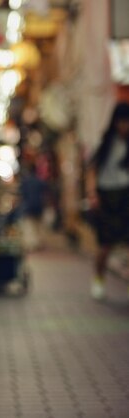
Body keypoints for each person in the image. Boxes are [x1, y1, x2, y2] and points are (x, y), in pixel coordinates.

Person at [86, 102, 129, 300]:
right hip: (106, 196)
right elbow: (92, 169)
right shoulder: (106, 143)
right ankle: (99, 280)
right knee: (105, 244)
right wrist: (93, 193)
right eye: (122, 122)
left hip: (125, 195)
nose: (125, 126)